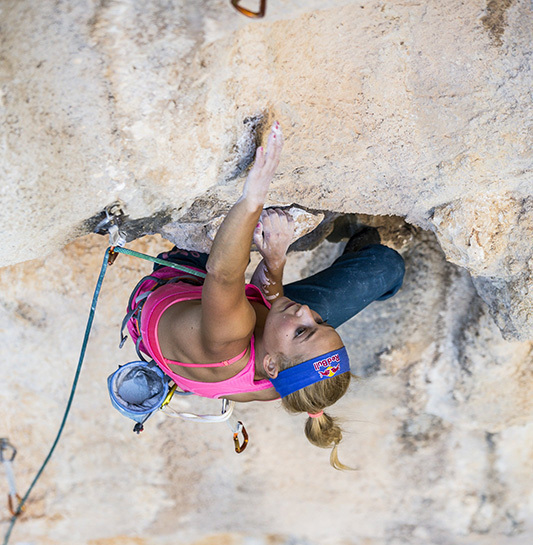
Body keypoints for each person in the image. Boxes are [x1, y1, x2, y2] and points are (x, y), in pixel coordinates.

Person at [124, 122, 405, 468]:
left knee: (229, 251)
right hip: (253, 327)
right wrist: (275, 260)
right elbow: (272, 303)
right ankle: (350, 236)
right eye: (320, 321)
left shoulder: (229, 339)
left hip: (186, 281)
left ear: (271, 364)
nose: (306, 311)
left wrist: (253, 195)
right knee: (387, 267)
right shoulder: (286, 383)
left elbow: (223, 273)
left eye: (306, 330)